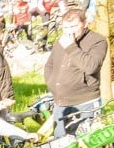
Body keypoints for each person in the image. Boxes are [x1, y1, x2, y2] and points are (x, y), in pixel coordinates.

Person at [43, 7, 109, 139]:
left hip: (85, 102)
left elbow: (91, 67)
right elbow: (49, 65)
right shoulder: (60, 41)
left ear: (84, 24)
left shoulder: (98, 41)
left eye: (73, 26)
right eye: (66, 28)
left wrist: (71, 47)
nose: (69, 32)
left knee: (85, 147)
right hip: (60, 103)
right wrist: (52, 85)